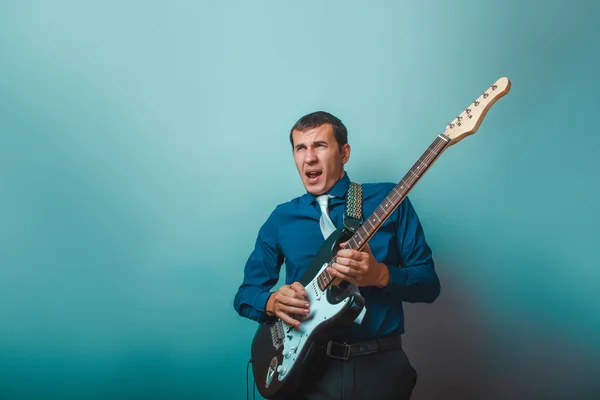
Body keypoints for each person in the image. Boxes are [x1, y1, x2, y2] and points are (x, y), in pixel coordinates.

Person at [233, 111, 441, 400]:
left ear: (344, 153)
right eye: (300, 148)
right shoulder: (282, 218)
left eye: (320, 145)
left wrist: (380, 275)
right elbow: (245, 294)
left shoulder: (388, 201)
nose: (309, 158)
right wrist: (271, 301)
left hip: (379, 370)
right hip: (305, 373)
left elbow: (429, 285)